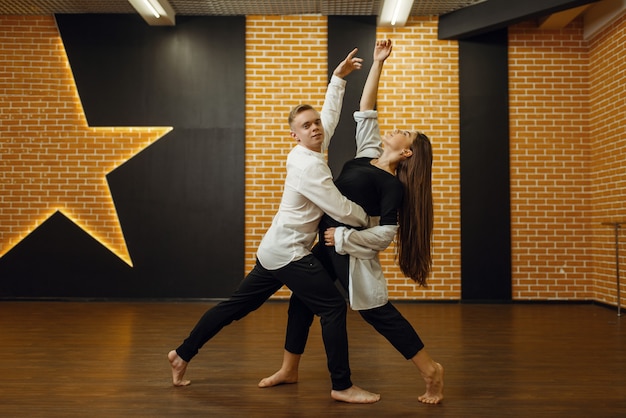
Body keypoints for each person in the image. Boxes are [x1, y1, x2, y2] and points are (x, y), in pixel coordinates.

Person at [168, 48, 381, 404]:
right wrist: (369, 220)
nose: (315, 128)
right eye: (305, 126)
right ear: (293, 136)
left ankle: (182, 354)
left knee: (239, 306)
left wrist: (338, 78)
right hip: (289, 253)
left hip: (275, 248)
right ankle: (342, 385)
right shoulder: (308, 167)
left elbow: (328, 114)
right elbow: (341, 209)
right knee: (331, 307)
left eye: (315, 124)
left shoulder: (310, 149)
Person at [258, 39, 444, 405]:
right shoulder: (367, 155)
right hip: (327, 246)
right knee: (300, 302)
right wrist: (378, 63)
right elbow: (366, 110)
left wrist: (343, 240)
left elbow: (387, 233)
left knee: (379, 315)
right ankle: (288, 368)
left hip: (346, 251)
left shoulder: (393, 187)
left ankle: (431, 370)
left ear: (406, 152)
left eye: (403, 132)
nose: (396, 128)